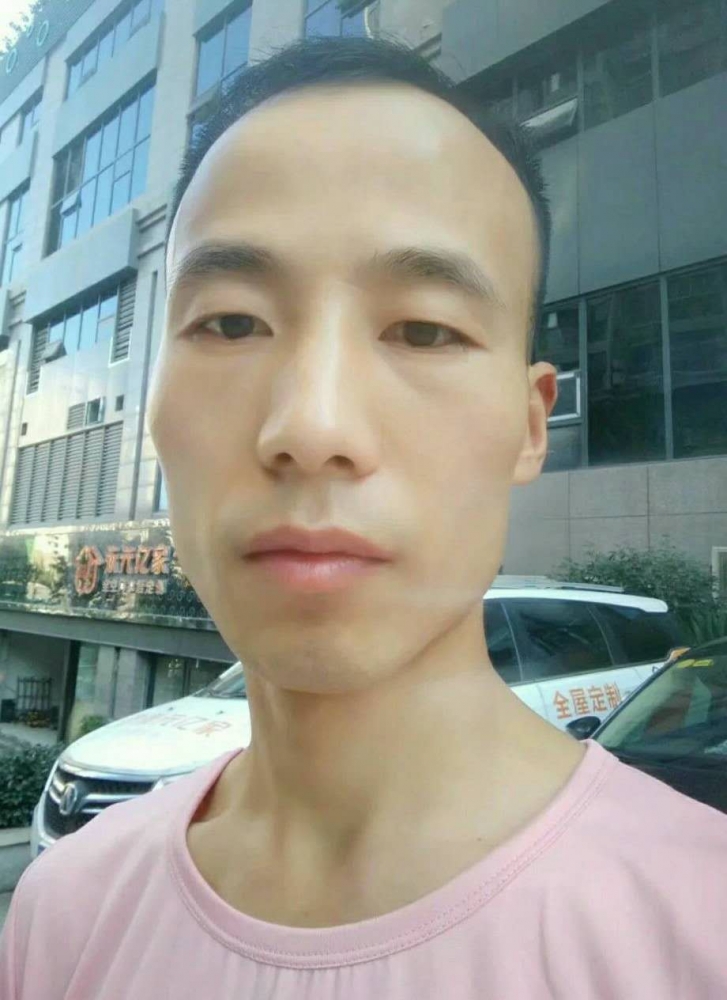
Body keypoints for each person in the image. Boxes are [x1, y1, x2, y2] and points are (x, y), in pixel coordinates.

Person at [1, 36, 726, 999]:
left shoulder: (698, 924)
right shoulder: (66, 913)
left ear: (528, 424)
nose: (312, 427)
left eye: (423, 330)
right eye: (231, 322)